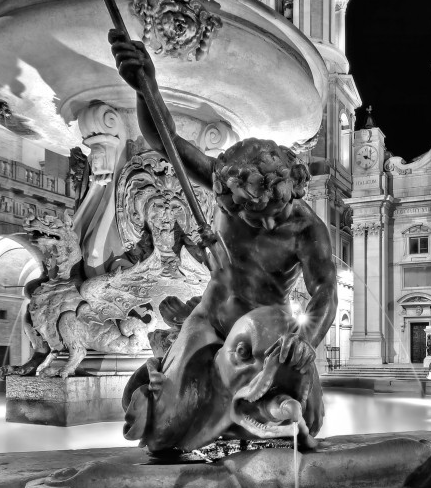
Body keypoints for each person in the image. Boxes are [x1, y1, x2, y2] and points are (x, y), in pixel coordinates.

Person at [109, 30, 338, 445]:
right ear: (229, 200)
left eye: (279, 213)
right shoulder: (224, 182)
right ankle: (158, 384)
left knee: (306, 421)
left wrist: (306, 342)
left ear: (294, 190)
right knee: (168, 433)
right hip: (213, 315)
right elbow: (166, 142)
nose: (272, 226)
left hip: (267, 331)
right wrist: (146, 86)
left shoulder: (308, 229)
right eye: (258, 218)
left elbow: (325, 292)